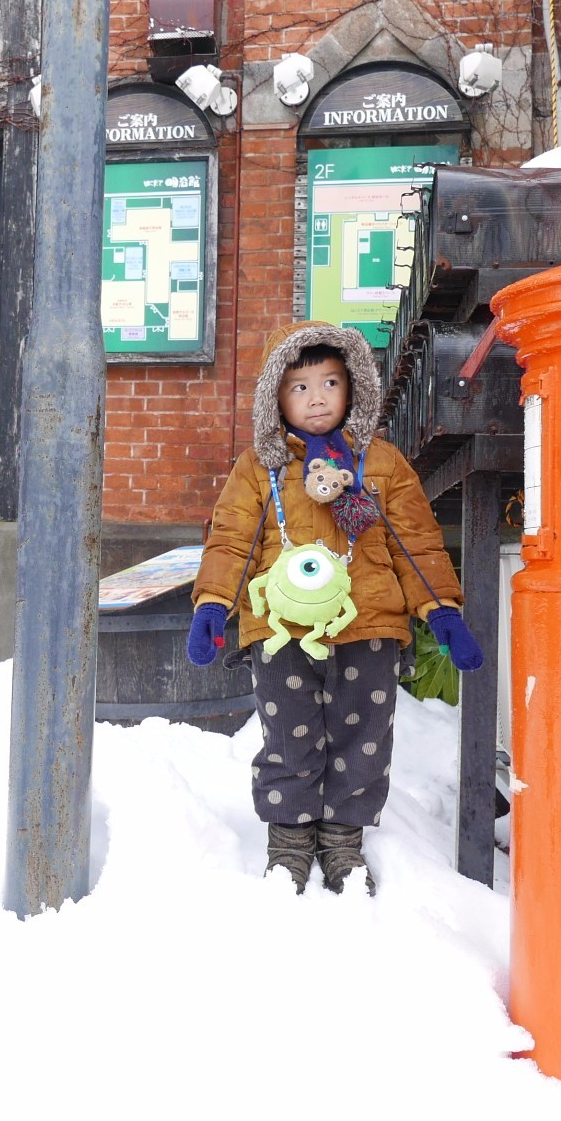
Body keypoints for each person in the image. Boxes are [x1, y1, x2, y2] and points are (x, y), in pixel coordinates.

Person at [185, 320, 485, 896]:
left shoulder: (382, 465)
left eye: (329, 382)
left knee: (363, 734)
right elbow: (231, 541)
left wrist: (440, 610)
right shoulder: (259, 468)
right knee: (289, 735)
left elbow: (415, 543)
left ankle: (344, 839)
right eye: (299, 387)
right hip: (280, 627)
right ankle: (291, 840)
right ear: (275, 397)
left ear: (354, 390)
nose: (316, 396)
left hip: (368, 623)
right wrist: (212, 605)